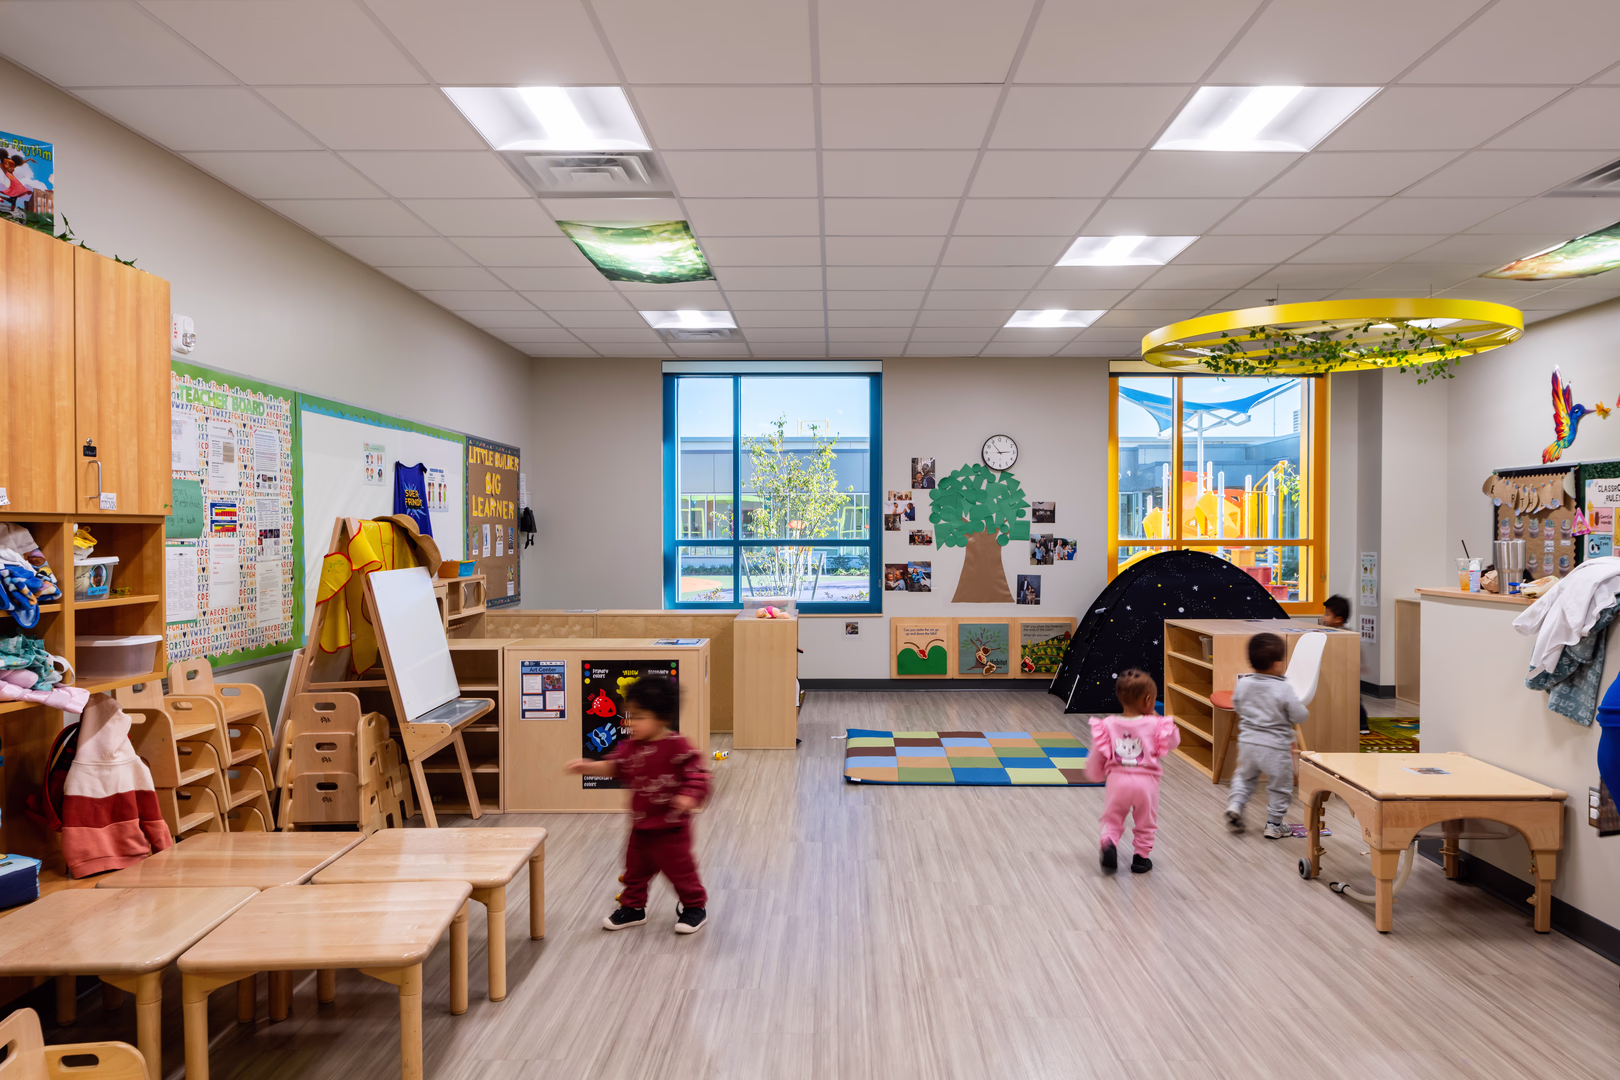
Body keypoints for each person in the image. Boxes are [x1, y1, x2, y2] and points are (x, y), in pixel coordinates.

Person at [566, 675, 711, 934]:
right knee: (634, 871)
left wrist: (689, 795)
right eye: (630, 716)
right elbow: (615, 766)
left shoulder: (678, 746)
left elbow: (699, 775)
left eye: (641, 717)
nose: (632, 724)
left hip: (671, 827)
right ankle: (634, 908)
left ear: (662, 718)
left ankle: (694, 907)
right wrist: (587, 767)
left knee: (680, 871)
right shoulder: (630, 747)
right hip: (642, 825)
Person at [1086, 669, 1179, 874]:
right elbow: (1173, 742)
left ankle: (1109, 842)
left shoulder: (1108, 724)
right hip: (1146, 784)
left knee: (1113, 818)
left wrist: (1094, 774)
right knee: (1146, 820)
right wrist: (1158, 719)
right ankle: (1141, 858)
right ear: (1148, 700)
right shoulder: (1155, 724)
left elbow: (1097, 754)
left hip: (1117, 781)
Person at [1224, 632, 1308, 839]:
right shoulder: (1283, 688)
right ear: (1277, 663)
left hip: (1248, 743)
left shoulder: (1243, 683)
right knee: (1281, 786)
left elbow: (1237, 705)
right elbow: (1300, 715)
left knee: (1244, 777)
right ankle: (1274, 824)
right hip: (1276, 747)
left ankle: (1235, 805)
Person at [1321, 595, 1370, 733]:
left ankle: (1362, 724)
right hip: (1335, 672)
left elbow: (1356, 653)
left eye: (1327, 614)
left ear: (1338, 619)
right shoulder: (1328, 632)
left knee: (1354, 699)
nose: (1324, 617)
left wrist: (1360, 665)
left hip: (1348, 673)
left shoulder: (1347, 634)